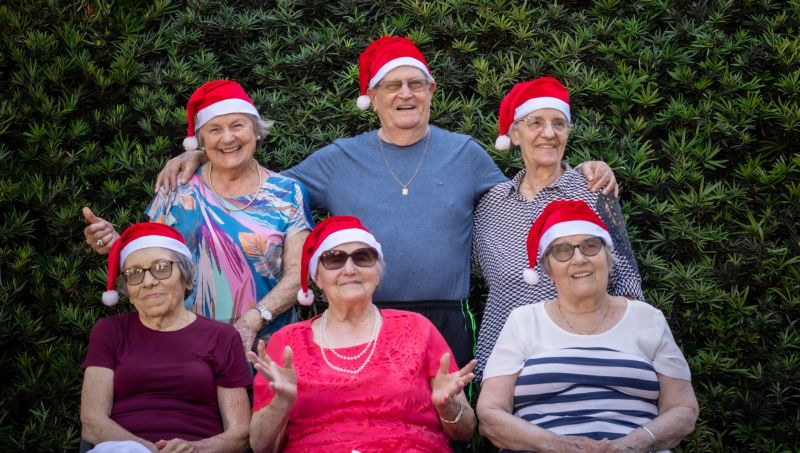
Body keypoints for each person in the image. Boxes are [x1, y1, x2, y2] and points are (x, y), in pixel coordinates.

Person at [154, 38, 617, 369]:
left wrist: (587, 171)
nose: (405, 94)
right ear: (371, 98)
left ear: (432, 91)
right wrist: (202, 154)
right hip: (358, 314)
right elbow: (263, 192)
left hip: (447, 318)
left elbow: (530, 200)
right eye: (391, 86)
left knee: (445, 426)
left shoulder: (466, 154)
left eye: (416, 84)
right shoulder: (339, 157)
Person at [83, 80, 312, 353]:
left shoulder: (287, 194)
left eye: (237, 125)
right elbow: (149, 261)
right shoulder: (176, 189)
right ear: (201, 141)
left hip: (266, 346)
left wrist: (253, 320)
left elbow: (298, 275)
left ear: (256, 131)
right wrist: (116, 244)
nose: (228, 138)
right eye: (215, 129)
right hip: (186, 346)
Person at [477, 200, 699, 452]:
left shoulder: (648, 319)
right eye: (562, 251)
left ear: (609, 259)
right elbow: (490, 413)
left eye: (590, 246)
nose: (579, 259)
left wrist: (634, 443)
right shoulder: (523, 320)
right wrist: (556, 445)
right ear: (548, 271)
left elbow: (683, 409)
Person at [247, 215, 476, 452]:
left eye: (362, 258)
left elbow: (466, 430)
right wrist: (281, 403)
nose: (349, 269)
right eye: (334, 259)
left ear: (377, 274)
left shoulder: (417, 328)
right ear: (317, 277)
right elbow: (261, 446)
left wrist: (446, 406)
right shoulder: (287, 342)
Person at [473, 77, 644, 380]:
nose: (549, 134)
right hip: (505, 364)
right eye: (536, 122)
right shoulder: (490, 204)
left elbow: (627, 286)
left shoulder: (593, 191)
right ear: (514, 133)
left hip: (583, 358)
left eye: (559, 124)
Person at [80, 222, 251, 453]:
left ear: (188, 279)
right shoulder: (110, 331)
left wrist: (195, 449)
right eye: (134, 274)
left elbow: (239, 434)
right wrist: (150, 450)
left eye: (161, 268)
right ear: (128, 292)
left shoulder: (222, 337)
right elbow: (92, 422)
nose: (148, 281)